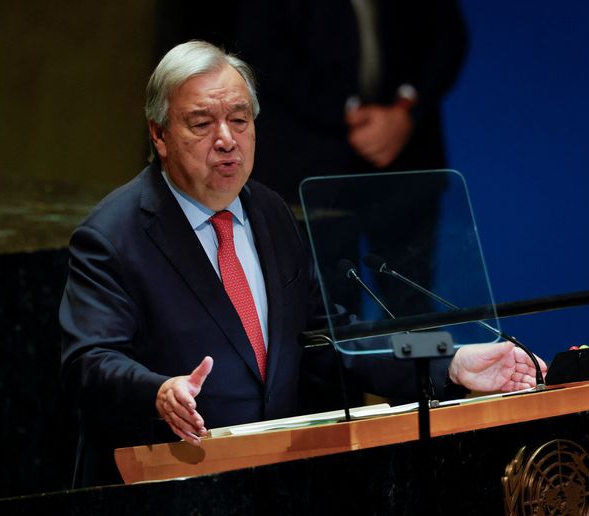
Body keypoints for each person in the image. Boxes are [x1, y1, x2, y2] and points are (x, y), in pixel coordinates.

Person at [59, 40, 545, 488]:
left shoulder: (270, 212)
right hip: (159, 489)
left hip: (269, 486)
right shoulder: (113, 236)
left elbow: (330, 337)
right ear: (160, 134)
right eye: (202, 124)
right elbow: (89, 362)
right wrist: (159, 391)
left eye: (240, 119)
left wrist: (449, 359)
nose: (226, 139)